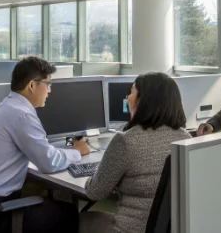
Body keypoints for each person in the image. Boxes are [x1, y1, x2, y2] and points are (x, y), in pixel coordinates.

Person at [0, 56, 90, 233]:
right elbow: (48, 163)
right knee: (69, 213)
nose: (49, 91)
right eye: (48, 84)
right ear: (32, 86)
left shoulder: (6, 107)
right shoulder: (22, 115)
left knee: (48, 203)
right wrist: (77, 151)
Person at [79, 72, 191, 233]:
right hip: (166, 228)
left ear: (143, 100)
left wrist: (98, 172)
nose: (128, 97)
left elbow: (95, 192)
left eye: (131, 92)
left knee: (81, 218)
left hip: (127, 229)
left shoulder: (126, 140)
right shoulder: (184, 137)